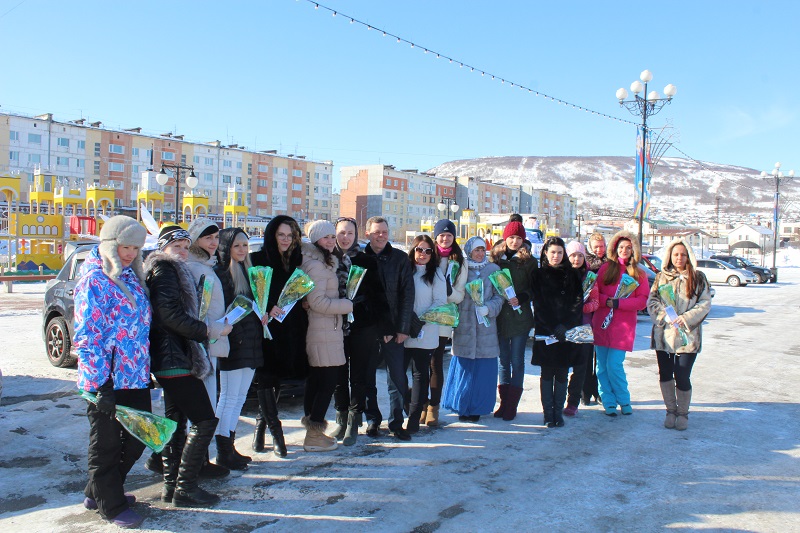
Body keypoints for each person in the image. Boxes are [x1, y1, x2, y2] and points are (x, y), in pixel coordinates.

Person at [74, 215, 151, 528]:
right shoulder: (94, 278)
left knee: (139, 436)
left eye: (135, 247)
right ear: (109, 244)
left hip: (134, 374)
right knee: (106, 444)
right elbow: (88, 335)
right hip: (105, 378)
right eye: (124, 246)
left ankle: (99, 490)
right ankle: (111, 504)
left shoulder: (131, 275)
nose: (130, 253)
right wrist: (99, 384)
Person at [145, 225, 226, 508]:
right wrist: (205, 330)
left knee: (175, 423)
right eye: (175, 245)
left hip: (173, 355)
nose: (181, 250)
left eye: (184, 246)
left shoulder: (168, 270)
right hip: (174, 356)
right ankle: (185, 487)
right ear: (163, 247)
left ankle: (171, 486)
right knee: (205, 420)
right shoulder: (166, 270)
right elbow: (169, 316)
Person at [250, 216, 308, 457]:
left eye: (290, 236)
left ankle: (260, 428)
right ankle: (276, 432)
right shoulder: (257, 258)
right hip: (264, 326)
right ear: (272, 236)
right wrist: (266, 306)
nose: (285, 240)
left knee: (276, 380)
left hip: (289, 328)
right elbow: (248, 292)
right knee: (266, 377)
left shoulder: (297, 261)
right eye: (281, 235)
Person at [332, 217, 388, 446]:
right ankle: (341, 417)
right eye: (341, 233)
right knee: (337, 373)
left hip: (362, 325)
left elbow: (379, 296)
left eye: (350, 233)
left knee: (359, 375)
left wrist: (380, 323)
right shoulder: (327, 259)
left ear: (357, 236)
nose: (345, 237)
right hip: (333, 324)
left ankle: (355, 420)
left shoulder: (366, 261)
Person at [647, 238, 711, 430]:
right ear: (669, 256)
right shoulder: (661, 277)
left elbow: (705, 303)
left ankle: (683, 413)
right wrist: (663, 316)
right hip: (664, 335)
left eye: (683, 254)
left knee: (682, 374)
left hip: (687, 336)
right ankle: (670, 411)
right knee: (665, 373)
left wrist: (686, 318)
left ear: (689, 256)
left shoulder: (698, 278)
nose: (679, 258)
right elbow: (652, 300)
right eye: (676, 254)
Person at [300, 220, 353, 451]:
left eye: (333, 237)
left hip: (326, 330)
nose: (331, 241)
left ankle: (313, 432)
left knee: (319, 381)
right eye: (326, 237)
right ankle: (313, 436)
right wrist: (347, 305)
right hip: (322, 331)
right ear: (315, 240)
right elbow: (317, 302)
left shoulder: (322, 262)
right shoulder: (316, 266)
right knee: (326, 382)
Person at [185, 218, 231, 470]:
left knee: (209, 403)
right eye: (207, 238)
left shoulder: (206, 264)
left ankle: (202, 459)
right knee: (205, 406)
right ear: (196, 240)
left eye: (216, 238)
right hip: (204, 342)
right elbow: (196, 310)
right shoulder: (194, 267)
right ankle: (198, 462)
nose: (213, 243)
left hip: (214, 337)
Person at [442, 236, 503, 421]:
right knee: (465, 369)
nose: (479, 253)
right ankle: (462, 406)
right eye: (476, 249)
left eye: (482, 249)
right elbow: (453, 294)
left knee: (483, 373)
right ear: (469, 251)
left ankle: (478, 408)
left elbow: (500, 297)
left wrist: (488, 308)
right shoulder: (462, 268)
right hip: (465, 329)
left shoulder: (493, 270)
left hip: (486, 331)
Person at [364, 216, 415, 440]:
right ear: (368, 234)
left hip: (395, 330)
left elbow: (407, 295)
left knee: (397, 378)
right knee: (367, 379)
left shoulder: (400, 259)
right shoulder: (359, 258)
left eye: (384, 232)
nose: (381, 236)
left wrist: (403, 328)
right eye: (377, 232)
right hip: (367, 330)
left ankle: (396, 423)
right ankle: (373, 420)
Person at [214, 228, 261, 468]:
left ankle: (229, 446)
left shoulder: (248, 271)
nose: (242, 250)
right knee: (229, 398)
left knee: (240, 398)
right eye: (237, 246)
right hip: (233, 344)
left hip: (251, 343)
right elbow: (223, 314)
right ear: (226, 248)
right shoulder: (222, 274)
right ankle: (223, 449)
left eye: (245, 245)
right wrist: (239, 335)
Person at [591, 230, 649, 416]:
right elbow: (593, 293)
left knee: (614, 364)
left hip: (623, 327)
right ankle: (608, 400)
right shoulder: (606, 269)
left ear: (634, 251)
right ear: (615, 249)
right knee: (601, 366)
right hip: (602, 323)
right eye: (621, 247)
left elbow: (642, 301)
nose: (624, 251)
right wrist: (606, 300)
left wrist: (618, 303)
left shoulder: (638, 273)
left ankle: (623, 399)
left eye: (628, 248)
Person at [530, 237, 583, 427]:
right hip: (545, 331)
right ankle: (547, 413)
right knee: (546, 373)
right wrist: (551, 326)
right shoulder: (538, 274)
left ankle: (558, 412)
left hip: (565, 333)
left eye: (560, 252)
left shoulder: (573, 275)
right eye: (553, 252)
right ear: (545, 252)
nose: (556, 256)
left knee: (561, 372)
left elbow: (577, 304)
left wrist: (565, 326)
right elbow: (538, 304)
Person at [490, 221, 536, 421]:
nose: (515, 241)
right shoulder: (496, 259)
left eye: (519, 238)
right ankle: (503, 402)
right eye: (511, 237)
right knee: (503, 361)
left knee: (517, 361)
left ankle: (512, 405)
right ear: (505, 238)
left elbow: (535, 288)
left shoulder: (529, 262)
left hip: (520, 317)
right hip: (500, 316)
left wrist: (523, 297)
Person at [426, 219, 468, 427]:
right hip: (424, 317)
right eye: (441, 235)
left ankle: (433, 407)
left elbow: (460, 294)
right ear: (436, 237)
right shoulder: (426, 255)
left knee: (435, 364)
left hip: (443, 320)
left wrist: (449, 293)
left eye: (449, 235)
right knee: (419, 364)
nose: (445, 238)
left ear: (454, 237)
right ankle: (420, 404)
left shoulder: (459, 260)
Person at [404, 235, 447, 433]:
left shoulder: (436, 274)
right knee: (397, 376)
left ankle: (413, 419)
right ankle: (407, 407)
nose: (423, 254)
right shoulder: (405, 270)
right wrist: (407, 321)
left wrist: (421, 320)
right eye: (419, 250)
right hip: (403, 332)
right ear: (413, 250)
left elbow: (440, 302)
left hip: (426, 331)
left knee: (420, 375)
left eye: (428, 251)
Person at [563, 240, 600, 416]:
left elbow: (596, 302)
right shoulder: (560, 275)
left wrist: (582, 307)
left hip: (584, 327)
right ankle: (558, 399)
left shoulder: (590, 277)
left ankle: (573, 402)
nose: (576, 259)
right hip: (564, 326)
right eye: (572, 255)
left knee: (580, 367)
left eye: (579, 255)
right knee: (562, 365)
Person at [582, 232, 606, 405]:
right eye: (596, 246)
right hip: (587, 314)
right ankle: (585, 391)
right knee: (586, 355)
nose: (599, 249)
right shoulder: (586, 264)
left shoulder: (609, 264)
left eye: (602, 246)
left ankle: (599, 390)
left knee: (601, 357)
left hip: (604, 313)